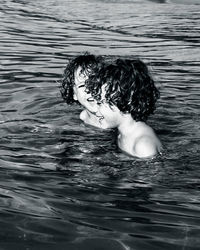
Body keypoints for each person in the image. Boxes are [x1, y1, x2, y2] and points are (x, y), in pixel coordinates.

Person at [61, 54, 162, 158]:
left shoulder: (143, 145)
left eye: (100, 103)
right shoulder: (122, 134)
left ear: (123, 101)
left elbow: (154, 172)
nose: (97, 110)